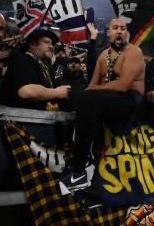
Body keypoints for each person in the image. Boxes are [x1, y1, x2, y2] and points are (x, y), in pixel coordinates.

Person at [61, 18, 145, 191]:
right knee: (78, 99)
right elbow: (91, 86)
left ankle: (79, 169)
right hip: (107, 100)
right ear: (108, 33)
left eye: (123, 28)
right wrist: (78, 98)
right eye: (115, 28)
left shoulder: (134, 52)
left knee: (89, 98)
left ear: (127, 33)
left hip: (130, 101)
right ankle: (82, 160)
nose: (120, 31)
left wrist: (91, 93)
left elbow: (122, 85)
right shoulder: (103, 56)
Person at [0, 29, 71, 110]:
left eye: (52, 43)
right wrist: (57, 92)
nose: (51, 46)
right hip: (16, 120)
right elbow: (27, 92)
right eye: (47, 42)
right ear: (33, 44)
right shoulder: (24, 59)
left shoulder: (42, 66)